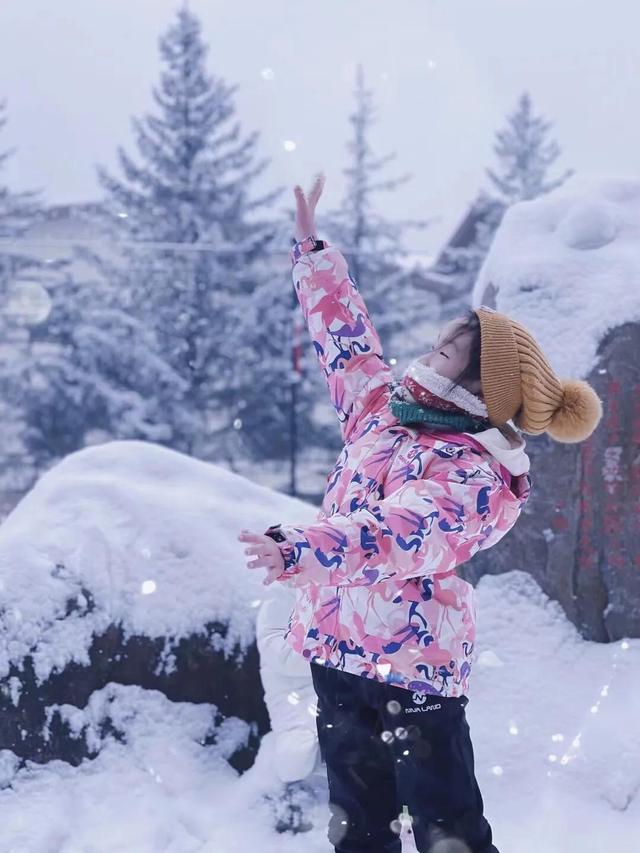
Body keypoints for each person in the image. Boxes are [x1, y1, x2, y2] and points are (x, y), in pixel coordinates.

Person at [238, 174, 603, 853]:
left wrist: (302, 550)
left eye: (442, 354)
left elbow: (394, 533)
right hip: (338, 656)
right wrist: (313, 252)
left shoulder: (474, 474)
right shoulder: (385, 416)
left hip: (415, 675)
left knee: (448, 832)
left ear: (475, 390)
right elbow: (347, 345)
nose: (423, 358)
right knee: (359, 829)